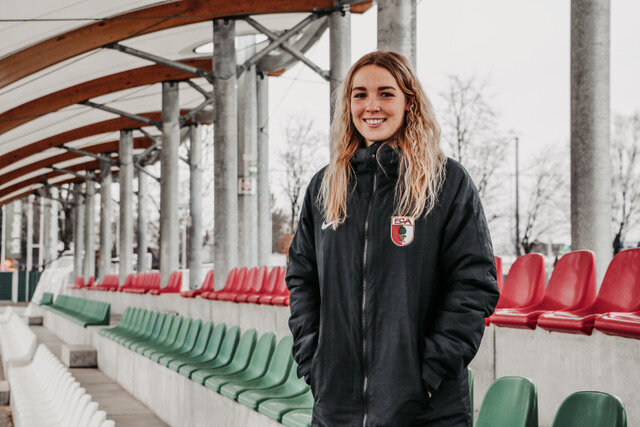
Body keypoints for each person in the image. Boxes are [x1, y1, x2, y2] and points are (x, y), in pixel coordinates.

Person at [286, 51, 500, 426]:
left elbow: (474, 284)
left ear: (408, 102)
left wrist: (429, 373)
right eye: (359, 94)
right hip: (337, 408)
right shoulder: (325, 186)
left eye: (386, 93)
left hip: (424, 409)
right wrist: (314, 360)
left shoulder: (445, 182)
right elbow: (302, 279)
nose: (372, 105)